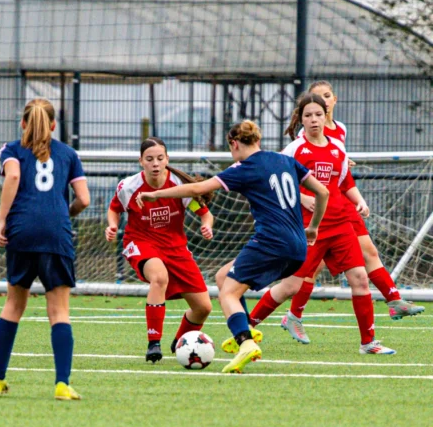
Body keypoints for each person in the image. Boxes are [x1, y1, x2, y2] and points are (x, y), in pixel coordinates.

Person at [137, 120, 329, 373]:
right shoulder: (284, 159)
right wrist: (313, 227)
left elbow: (198, 188)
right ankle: (246, 328)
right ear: (258, 140)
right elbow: (323, 192)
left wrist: (155, 194)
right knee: (222, 276)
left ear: (234, 144)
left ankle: (245, 343)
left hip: (270, 242)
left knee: (228, 293)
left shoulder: (244, 168)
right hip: (299, 246)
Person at [247, 93, 396, 354]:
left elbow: (345, 182)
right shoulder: (295, 149)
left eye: (318, 114)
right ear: (301, 119)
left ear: (325, 116)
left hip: (340, 225)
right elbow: (275, 181)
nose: (314, 119)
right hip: (307, 229)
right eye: (308, 115)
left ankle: (368, 343)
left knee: (360, 279)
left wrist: (359, 201)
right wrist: (302, 197)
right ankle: (245, 328)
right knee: (290, 286)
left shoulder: (337, 148)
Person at [286, 81, 424, 335]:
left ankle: (394, 301)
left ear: (334, 100)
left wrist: (357, 197)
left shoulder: (340, 129)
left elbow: (340, 171)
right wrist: (303, 198)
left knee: (369, 251)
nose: (323, 102)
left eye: (327, 96)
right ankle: (293, 315)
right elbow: (293, 172)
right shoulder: (302, 140)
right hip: (318, 207)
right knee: (312, 267)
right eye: (317, 99)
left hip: (340, 203)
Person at [0, 98, 90, 400]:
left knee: (13, 305)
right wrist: (63, 214)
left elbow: (13, 176)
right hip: (56, 234)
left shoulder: (12, 149)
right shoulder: (68, 154)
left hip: (21, 232)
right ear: (54, 125)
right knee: (59, 310)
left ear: (23, 123)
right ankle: (62, 384)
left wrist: (1, 222)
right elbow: (84, 199)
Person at [106, 137, 214, 363]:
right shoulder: (129, 186)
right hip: (141, 242)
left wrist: (207, 225)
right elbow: (114, 208)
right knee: (159, 277)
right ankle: (153, 343)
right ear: (141, 161)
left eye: (159, 158)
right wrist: (112, 225)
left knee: (203, 307)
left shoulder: (179, 186)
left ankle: (181, 342)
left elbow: (205, 213)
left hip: (176, 248)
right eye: (149, 159)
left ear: (167, 159)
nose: (155, 163)